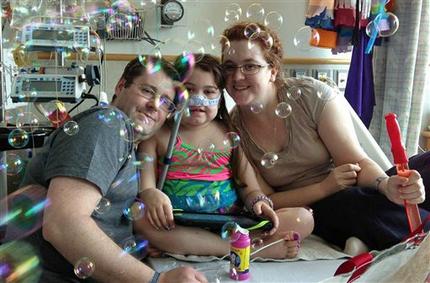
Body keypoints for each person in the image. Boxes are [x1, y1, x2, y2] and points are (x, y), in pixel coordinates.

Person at [220, 22, 429, 252]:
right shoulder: (232, 132)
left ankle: (371, 236)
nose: (237, 76)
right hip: (319, 207)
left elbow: (356, 162)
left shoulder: (310, 96)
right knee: (358, 203)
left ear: (273, 70)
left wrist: (387, 185)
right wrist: (324, 187)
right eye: (229, 67)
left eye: (250, 66)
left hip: (356, 183)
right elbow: (265, 201)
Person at [20, 56, 208, 283]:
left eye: (166, 102)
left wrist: (134, 246)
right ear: (121, 86)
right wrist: (159, 280)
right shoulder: (106, 125)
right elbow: (63, 224)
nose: (155, 105)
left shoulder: (125, 140)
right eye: (148, 91)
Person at [134, 54, 314, 259]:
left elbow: (250, 187)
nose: (198, 99)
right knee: (139, 218)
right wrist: (150, 194)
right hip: (177, 220)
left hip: (229, 221)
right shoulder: (158, 134)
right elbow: (146, 187)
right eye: (189, 90)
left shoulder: (229, 132)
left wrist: (258, 202)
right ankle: (249, 250)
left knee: (304, 218)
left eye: (209, 91)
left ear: (220, 97)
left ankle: (219, 244)